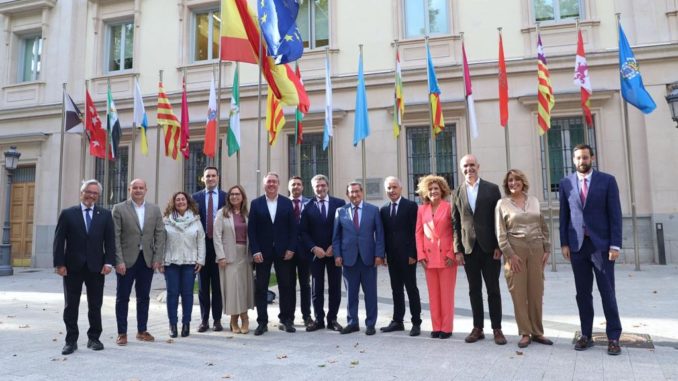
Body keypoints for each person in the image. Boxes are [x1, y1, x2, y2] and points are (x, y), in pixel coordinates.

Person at [559, 144, 623, 355]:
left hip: (602, 247)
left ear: (592, 158)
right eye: (578, 158)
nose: (581, 161)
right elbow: (564, 216)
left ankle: (613, 337)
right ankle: (586, 334)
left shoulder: (607, 181)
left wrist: (615, 244)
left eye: (585, 157)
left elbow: (615, 214)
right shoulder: (566, 183)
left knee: (607, 292)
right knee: (583, 294)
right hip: (578, 246)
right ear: (573, 160)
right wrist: (564, 243)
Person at [53, 179, 115, 355]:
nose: (91, 195)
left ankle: (94, 338)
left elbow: (110, 241)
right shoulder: (67, 214)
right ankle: (71, 341)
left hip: (96, 267)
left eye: (95, 193)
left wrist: (109, 262)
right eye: (88, 191)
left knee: (95, 305)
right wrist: (59, 264)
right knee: (71, 305)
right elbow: (59, 241)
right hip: (72, 267)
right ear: (82, 193)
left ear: (98, 196)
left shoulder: (104, 214)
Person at [495, 169, 552, 348]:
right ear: (507, 184)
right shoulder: (502, 204)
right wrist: (510, 255)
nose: (513, 183)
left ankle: (537, 332)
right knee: (518, 293)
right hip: (515, 250)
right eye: (510, 180)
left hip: (536, 248)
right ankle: (525, 332)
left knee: (536, 292)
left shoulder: (534, 201)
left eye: (517, 180)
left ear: (523, 182)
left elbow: (542, 225)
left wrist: (546, 248)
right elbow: (500, 233)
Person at [453, 154, 506, 345]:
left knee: (493, 289)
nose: (469, 168)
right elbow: (455, 223)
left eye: (472, 165)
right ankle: (478, 328)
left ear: (478, 166)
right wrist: (457, 249)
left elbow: (499, 219)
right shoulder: (457, 192)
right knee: (474, 290)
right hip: (469, 249)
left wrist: (500, 246)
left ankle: (497, 328)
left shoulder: (492, 189)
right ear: (461, 169)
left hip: (490, 248)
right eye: (465, 166)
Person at [111, 179, 165, 346]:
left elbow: (160, 235)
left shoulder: (154, 210)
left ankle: (142, 330)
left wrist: (157, 258)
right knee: (123, 298)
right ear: (129, 189)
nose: (138, 190)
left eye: (141, 188)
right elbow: (115, 237)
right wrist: (118, 261)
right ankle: (122, 333)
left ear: (146, 190)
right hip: (126, 261)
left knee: (143, 297)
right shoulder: (119, 209)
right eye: (135, 187)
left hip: (146, 260)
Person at [248, 172, 298, 335]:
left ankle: (286, 319)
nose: (271, 184)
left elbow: (293, 228)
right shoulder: (256, 204)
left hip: (284, 252)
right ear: (264, 184)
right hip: (262, 252)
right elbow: (252, 230)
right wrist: (255, 250)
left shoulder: (286, 203)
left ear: (279, 184)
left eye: (274, 182)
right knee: (261, 287)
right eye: (268, 182)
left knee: (286, 286)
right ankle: (262, 322)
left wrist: (291, 248)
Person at [333, 182, 385, 336]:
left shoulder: (373, 210)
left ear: (362, 193)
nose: (354, 195)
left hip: (368, 259)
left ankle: (370, 324)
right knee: (351, 294)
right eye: (351, 192)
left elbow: (380, 235)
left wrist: (379, 255)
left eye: (357, 191)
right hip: (348, 260)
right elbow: (336, 237)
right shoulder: (340, 211)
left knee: (370, 293)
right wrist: (337, 255)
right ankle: (352, 323)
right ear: (347, 194)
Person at [299, 174, 345, 332]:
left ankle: (332, 319)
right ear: (313, 188)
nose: (320, 188)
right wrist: (313, 247)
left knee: (335, 287)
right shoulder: (307, 206)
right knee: (316, 288)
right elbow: (303, 231)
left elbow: (343, 228)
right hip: (315, 254)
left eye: (323, 185)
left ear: (328, 186)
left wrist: (335, 246)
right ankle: (319, 319)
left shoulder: (339, 204)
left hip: (334, 252)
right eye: (317, 186)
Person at [415, 175, 457, 339]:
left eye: (436, 189)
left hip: (446, 256)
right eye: (430, 189)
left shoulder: (449, 207)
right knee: (433, 295)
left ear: (442, 191)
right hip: (429, 257)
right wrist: (420, 255)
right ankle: (436, 326)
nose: (433, 191)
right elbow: (418, 234)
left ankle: (446, 328)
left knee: (446, 295)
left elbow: (456, 232)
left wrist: (452, 252)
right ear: (426, 191)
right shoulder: (421, 209)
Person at [379, 176, 422, 336]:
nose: (392, 191)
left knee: (411, 289)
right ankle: (398, 321)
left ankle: (416, 322)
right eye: (389, 188)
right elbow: (383, 234)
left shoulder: (411, 206)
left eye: (394, 187)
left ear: (401, 188)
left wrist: (413, 253)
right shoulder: (383, 210)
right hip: (392, 257)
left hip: (408, 256)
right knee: (396, 290)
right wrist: (382, 254)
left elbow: (415, 232)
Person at [162, 191, 206, 338]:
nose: (180, 202)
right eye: (177, 200)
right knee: (172, 294)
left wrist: (201, 260)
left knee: (187, 294)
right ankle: (172, 325)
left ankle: (186, 324)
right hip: (171, 262)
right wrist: (161, 261)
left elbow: (201, 240)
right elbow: (161, 242)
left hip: (189, 262)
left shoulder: (195, 220)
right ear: (173, 203)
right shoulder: (167, 221)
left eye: (183, 199)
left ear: (188, 202)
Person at [213, 185, 255, 334]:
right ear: (228, 197)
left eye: (237, 194)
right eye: (232, 194)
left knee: (244, 288)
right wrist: (221, 256)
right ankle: (233, 319)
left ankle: (245, 317)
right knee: (232, 289)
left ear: (242, 197)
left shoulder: (247, 214)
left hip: (245, 255)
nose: (234, 197)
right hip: (229, 256)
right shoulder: (222, 213)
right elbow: (217, 236)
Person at [191, 166, 227, 333]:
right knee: (203, 286)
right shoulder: (195, 198)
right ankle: (204, 320)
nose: (211, 178)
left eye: (213, 176)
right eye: (207, 176)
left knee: (218, 286)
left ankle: (217, 320)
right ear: (203, 179)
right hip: (202, 246)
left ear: (218, 178)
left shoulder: (226, 197)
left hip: (220, 246)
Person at [288, 176, 312, 328]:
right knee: (289, 285)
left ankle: (307, 316)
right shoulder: (283, 203)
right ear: (289, 187)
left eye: (298, 184)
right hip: (288, 251)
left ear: (303, 187)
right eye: (293, 185)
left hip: (305, 250)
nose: (296, 187)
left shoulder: (310, 203)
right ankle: (289, 316)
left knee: (305, 285)